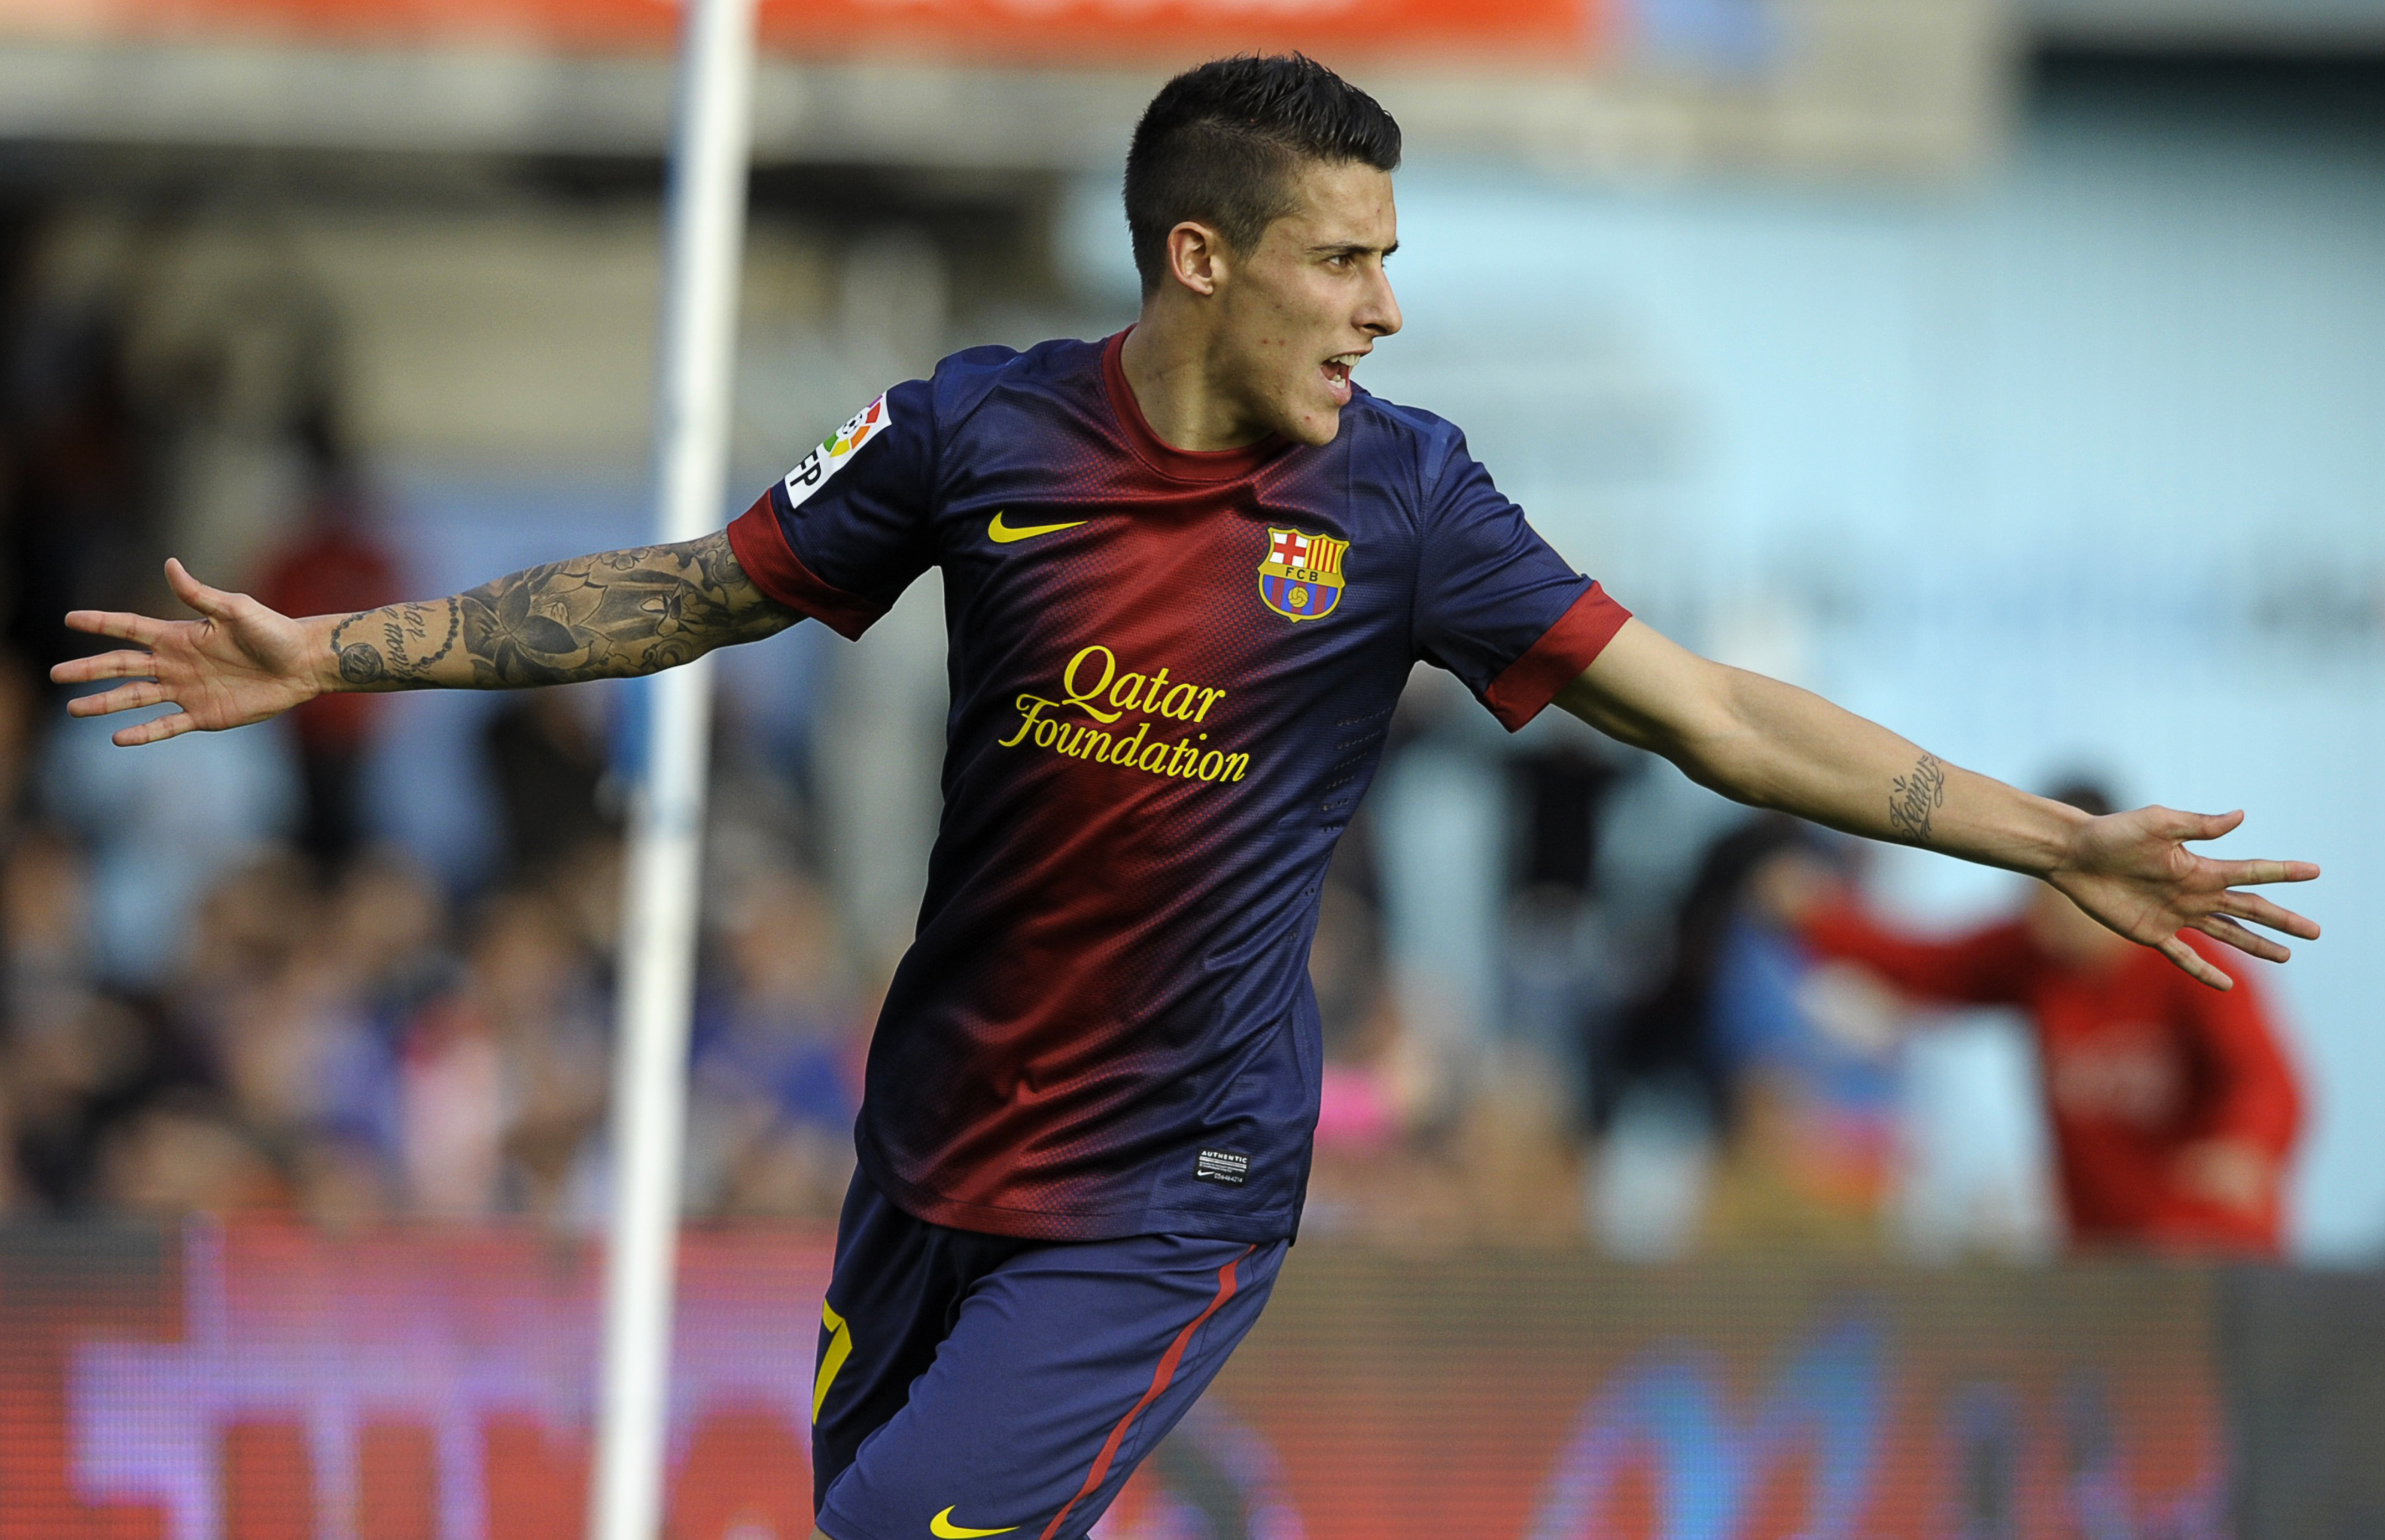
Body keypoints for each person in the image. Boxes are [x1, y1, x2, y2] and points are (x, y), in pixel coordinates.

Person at [48, 56, 2319, 1540]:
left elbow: (1711, 715)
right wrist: (333, 651)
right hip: (932, 1149)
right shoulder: (973, 437)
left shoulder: (1411, 505)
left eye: (1395, 258)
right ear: (1202, 256)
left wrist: (2050, 835)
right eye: (1351, 257)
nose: (1387, 309)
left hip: (1173, 1181)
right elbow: (687, 591)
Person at [1774, 782, 2304, 1256]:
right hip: (2105, 1261)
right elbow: (1923, 965)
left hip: (2212, 1258)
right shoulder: (2033, 955)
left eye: (2062, 885)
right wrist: (1816, 917)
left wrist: (2246, 1143)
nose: (2041, 906)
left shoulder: (2186, 962)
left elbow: (2269, 1079)